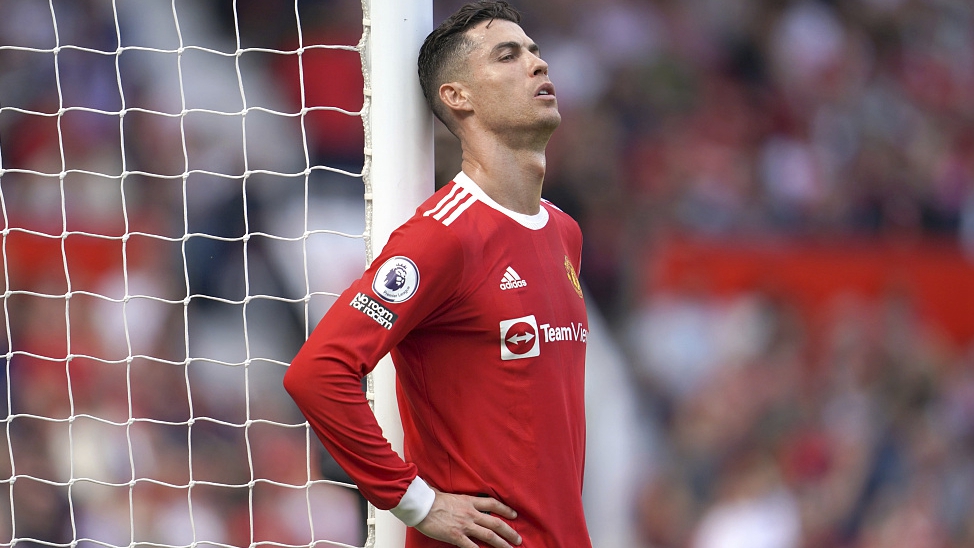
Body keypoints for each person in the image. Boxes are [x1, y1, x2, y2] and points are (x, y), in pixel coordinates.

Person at [283, 2, 592, 546]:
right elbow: (318, 373)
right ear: (457, 97)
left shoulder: (564, 231)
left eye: (535, 52)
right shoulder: (442, 236)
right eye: (508, 55)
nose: (537, 65)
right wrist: (416, 503)